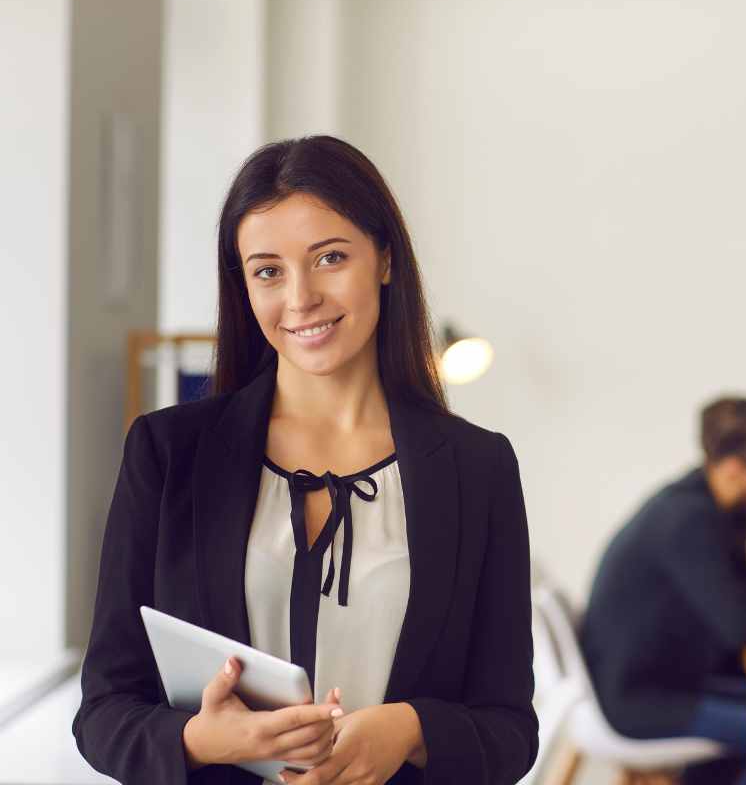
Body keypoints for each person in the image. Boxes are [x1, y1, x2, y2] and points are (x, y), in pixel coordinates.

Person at [72, 135, 538, 785]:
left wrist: (409, 731)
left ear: (384, 259)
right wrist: (199, 740)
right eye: (268, 271)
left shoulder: (476, 467)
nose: (301, 297)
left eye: (330, 258)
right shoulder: (169, 452)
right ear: (244, 286)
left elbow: (510, 730)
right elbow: (103, 712)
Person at [580, 396, 746, 783]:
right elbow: (738, 624)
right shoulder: (688, 521)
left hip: (667, 681)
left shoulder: (706, 507)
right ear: (733, 468)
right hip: (642, 699)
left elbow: (742, 583)